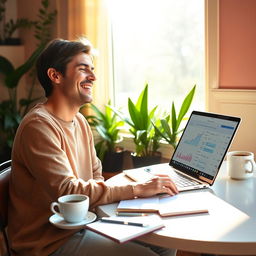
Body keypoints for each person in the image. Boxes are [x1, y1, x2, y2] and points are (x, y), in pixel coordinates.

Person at [8, 38, 178, 256]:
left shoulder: (79, 121)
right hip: (48, 242)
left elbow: (95, 176)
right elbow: (68, 191)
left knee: (167, 240)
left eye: (93, 69)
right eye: (83, 69)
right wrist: (136, 190)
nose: (93, 77)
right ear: (55, 76)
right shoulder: (38, 126)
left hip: (85, 224)